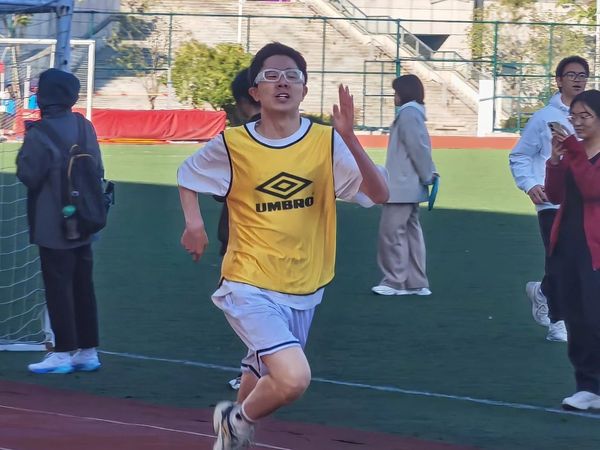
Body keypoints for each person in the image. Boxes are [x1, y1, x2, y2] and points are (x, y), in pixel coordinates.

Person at [177, 42, 388, 449]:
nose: (283, 83)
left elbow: (379, 194)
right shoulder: (233, 144)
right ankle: (236, 420)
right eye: (271, 76)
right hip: (247, 280)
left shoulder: (326, 142)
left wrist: (349, 138)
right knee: (293, 377)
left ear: (304, 90)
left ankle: (232, 437)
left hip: (305, 283)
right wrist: (193, 223)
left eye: (292, 76)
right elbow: (188, 174)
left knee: (260, 371)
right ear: (255, 92)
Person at [16, 68, 103, 374]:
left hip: (53, 222)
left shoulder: (40, 133)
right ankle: (88, 351)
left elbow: (28, 174)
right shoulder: (83, 125)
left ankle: (63, 352)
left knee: (58, 286)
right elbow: (97, 168)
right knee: (83, 285)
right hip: (86, 218)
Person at [509, 55, 589, 342]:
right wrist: (530, 184)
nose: (578, 80)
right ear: (558, 80)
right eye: (571, 75)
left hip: (586, 200)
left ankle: (543, 292)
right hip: (551, 200)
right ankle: (558, 322)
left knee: (579, 260)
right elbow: (520, 155)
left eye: (582, 75)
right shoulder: (544, 118)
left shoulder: (592, 116)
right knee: (560, 259)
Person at [546, 90, 600, 411]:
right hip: (568, 245)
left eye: (585, 116)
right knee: (576, 319)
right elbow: (553, 194)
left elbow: (593, 189)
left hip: (595, 250)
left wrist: (574, 151)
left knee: (595, 317)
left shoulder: (581, 153)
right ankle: (588, 386)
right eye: (574, 116)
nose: (577, 123)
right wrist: (555, 161)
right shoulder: (573, 153)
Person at [371, 74, 436, 297]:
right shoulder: (414, 113)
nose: (394, 97)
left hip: (401, 185)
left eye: (396, 92)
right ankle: (416, 282)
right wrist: (427, 174)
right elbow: (420, 147)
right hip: (409, 185)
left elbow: (417, 148)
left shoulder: (408, 113)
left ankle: (394, 281)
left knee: (390, 234)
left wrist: (427, 174)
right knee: (411, 233)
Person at [218, 68, 261, 391]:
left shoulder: (241, 139)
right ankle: (261, 367)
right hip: (292, 238)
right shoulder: (300, 135)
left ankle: (258, 370)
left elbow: (220, 185)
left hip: (244, 236)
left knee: (250, 308)